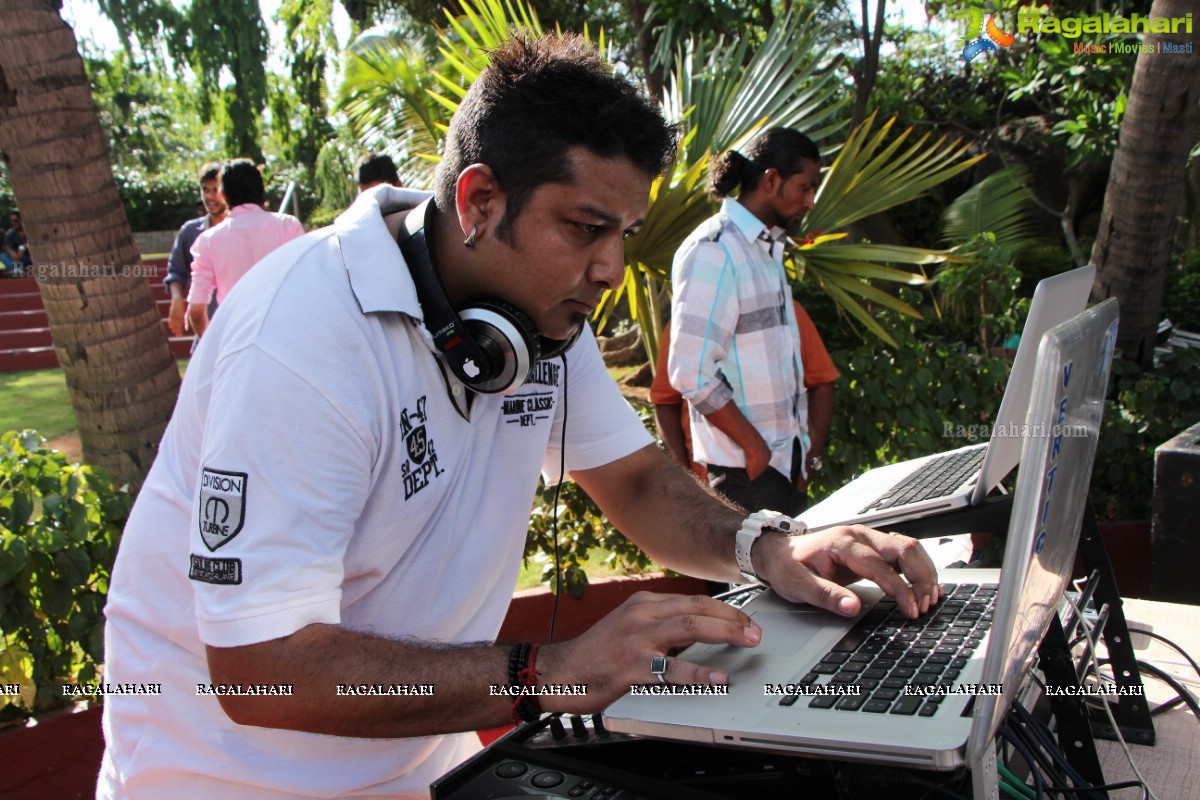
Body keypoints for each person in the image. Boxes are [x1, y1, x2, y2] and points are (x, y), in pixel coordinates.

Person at [99, 35, 939, 799]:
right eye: (585, 228)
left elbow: (638, 482)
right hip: (224, 779)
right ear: (479, 199)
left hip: (416, 758)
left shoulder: (541, 316)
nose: (610, 266)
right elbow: (259, 673)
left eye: (625, 232)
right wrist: (550, 671)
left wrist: (766, 542)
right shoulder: (302, 339)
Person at [667, 127, 830, 517]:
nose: (810, 203)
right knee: (756, 582)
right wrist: (755, 448)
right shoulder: (715, 248)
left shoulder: (767, 248)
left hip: (781, 466)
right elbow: (689, 371)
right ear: (771, 179)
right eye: (805, 188)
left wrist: (799, 452)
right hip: (748, 475)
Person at [652, 297, 838, 493]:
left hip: (784, 473)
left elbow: (822, 382)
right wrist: (685, 478)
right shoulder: (687, 324)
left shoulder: (787, 311)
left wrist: (812, 458)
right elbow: (665, 401)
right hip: (711, 483)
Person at [185, 159, 305, 337]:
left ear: (223, 196)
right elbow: (306, 284)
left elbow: (195, 311)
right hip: (285, 335)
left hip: (236, 338)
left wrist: (214, 346)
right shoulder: (288, 226)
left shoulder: (208, 241)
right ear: (261, 189)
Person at [165, 162, 227, 337]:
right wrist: (177, 299)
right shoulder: (190, 232)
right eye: (205, 190)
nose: (209, 196)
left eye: (215, 189)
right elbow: (176, 271)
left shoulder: (239, 231)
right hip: (204, 328)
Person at [4, 209, 32, 273]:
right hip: (19, 259)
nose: (13, 223)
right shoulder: (9, 234)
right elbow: (15, 256)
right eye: (11, 221)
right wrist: (23, 247)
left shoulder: (30, 233)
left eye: (16, 220)